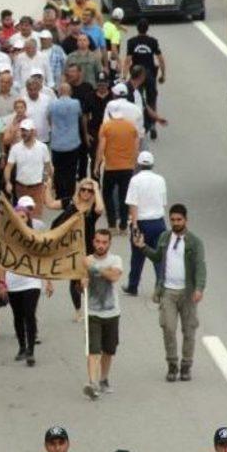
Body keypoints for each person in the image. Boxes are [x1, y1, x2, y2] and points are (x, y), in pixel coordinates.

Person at [136, 203, 206, 382]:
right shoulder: (165, 237)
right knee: (168, 328)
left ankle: (186, 365)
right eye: (173, 219)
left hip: (188, 293)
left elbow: (200, 267)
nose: (175, 223)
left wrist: (199, 288)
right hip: (168, 291)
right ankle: (172, 364)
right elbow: (157, 257)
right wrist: (143, 247)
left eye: (179, 219)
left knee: (189, 330)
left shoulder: (195, 242)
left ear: (186, 220)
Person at [46, 177, 105, 321]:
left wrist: (96, 188)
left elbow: (100, 209)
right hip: (72, 247)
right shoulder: (70, 202)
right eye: (83, 189)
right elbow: (50, 204)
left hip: (88, 248)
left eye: (89, 191)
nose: (86, 192)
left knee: (90, 278)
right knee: (74, 279)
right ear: (79, 190)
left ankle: (94, 306)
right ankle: (78, 311)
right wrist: (47, 186)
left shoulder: (92, 208)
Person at [0, 210, 52, 366]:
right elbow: (1, 263)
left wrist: (48, 281)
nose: (20, 219)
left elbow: (42, 260)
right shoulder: (7, 238)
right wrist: (2, 282)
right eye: (17, 217)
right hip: (13, 282)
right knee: (18, 316)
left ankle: (31, 351)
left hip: (32, 282)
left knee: (29, 314)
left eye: (23, 216)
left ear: (28, 219)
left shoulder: (35, 238)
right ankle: (22, 347)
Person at [82, 229, 123, 400]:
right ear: (93, 242)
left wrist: (95, 267)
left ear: (109, 243)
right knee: (93, 350)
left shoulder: (115, 260)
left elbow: (114, 276)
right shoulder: (86, 261)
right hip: (92, 313)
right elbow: (81, 282)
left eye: (104, 242)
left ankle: (104, 378)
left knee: (109, 349)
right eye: (98, 242)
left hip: (112, 312)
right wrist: (82, 281)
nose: (101, 245)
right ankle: (92, 383)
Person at [123, 151, 167, 295]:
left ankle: (133, 286)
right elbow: (163, 203)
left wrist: (134, 225)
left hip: (142, 222)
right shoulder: (160, 179)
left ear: (138, 164)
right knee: (158, 257)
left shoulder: (135, 180)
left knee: (137, 256)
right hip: (159, 222)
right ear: (152, 164)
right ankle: (160, 286)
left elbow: (133, 204)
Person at [95, 106, 139, 234]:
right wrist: (134, 162)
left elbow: (101, 147)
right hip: (127, 167)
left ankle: (112, 224)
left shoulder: (106, 126)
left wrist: (97, 165)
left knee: (107, 195)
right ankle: (124, 225)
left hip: (111, 167)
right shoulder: (131, 127)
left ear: (110, 114)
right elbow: (136, 147)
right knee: (125, 196)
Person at [4, 119, 51, 215]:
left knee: (36, 217)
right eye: (22, 130)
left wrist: (48, 181)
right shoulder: (15, 148)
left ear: (33, 131)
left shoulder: (42, 147)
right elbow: (8, 167)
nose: (23, 133)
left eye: (26, 130)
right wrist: (8, 182)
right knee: (22, 217)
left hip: (37, 188)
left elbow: (48, 166)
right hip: (21, 188)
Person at [50, 83, 83, 201]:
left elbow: (49, 118)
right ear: (70, 92)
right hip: (72, 142)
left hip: (57, 143)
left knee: (59, 170)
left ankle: (60, 194)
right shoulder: (76, 103)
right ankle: (70, 194)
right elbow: (80, 116)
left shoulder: (53, 104)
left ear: (59, 92)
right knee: (71, 170)